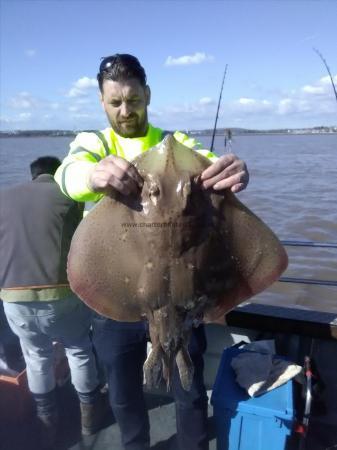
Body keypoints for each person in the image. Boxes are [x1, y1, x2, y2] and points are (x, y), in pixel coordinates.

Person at [54, 54, 249, 450]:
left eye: (133, 100)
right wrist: (93, 174)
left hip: (184, 296)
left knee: (189, 387)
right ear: (102, 102)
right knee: (123, 390)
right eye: (115, 102)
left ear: (147, 95)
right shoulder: (95, 143)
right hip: (119, 292)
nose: (125, 111)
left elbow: (212, 164)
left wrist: (233, 171)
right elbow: (67, 175)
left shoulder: (175, 144)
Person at [0, 157, 107, 447]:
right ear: (59, 173)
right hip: (61, 295)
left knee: (37, 358)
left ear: (32, 175)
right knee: (79, 349)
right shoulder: (69, 196)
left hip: (13, 297)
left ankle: (48, 423)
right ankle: (89, 419)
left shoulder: (4, 197)